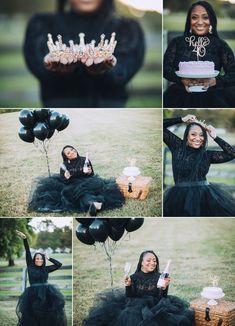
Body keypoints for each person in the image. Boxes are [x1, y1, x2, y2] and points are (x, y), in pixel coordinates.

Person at [23, 0, 145, 108]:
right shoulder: (41, 24)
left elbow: (125, 68)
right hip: (58, 113)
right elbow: (37, 62)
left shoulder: (127, 28)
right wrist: (54, 68)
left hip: (109, 114)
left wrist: (105, 69)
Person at [83, 250, 195, 325]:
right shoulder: (134, 277)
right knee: (129, 316)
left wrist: (164, 287)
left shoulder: (160, 276)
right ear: (141, 262)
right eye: (149, 260)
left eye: (154, 260)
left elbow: (162, 298)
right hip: (135, 307)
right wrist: (128, 285)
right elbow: (129, 297)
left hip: (156, 307)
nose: (153, 263)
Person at [163, 1, 235, 108]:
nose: (200, 22)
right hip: (181, 94)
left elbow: (233, 73)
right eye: (194, 17)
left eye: (205, 17)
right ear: (189, 20)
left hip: (214, 95)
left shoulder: (220, 45)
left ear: (211, 20)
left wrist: (215, 81)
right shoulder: (177, 43)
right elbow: (165, 69)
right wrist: (181, 80)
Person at [164, 114, 235, 216]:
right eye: (193, 134)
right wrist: (181, 119)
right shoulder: (177, 147)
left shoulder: (207, 155)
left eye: (201, 135)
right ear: (186, 135)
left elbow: (232, 153)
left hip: (203, 196)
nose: (198, 138)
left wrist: (215, 136)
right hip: (179, 197)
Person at [28, 145, 125, 216]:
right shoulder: (65, 165)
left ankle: (91, 204)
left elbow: (91, 174)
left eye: (72, 149)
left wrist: (89, 172)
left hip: (88, 182)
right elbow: (64, 181)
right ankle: (93, 204)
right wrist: (66, 177)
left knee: (93, 185)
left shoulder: (84, 160)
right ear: (66, 156)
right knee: (74, 193)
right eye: (68, 153)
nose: (72, 152)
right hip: (73, 184)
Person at [15, 230, 66, 326]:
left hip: (45, 293)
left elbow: (58, 264)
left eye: (41, 259)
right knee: (32, 315)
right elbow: (27, 251)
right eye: (37, 258)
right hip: (32, 294)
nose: (39, 260)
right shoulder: (30, 266)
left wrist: (49, 258)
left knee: (46, 315)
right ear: (34, 260)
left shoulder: (46, 269)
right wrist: (25, 239)